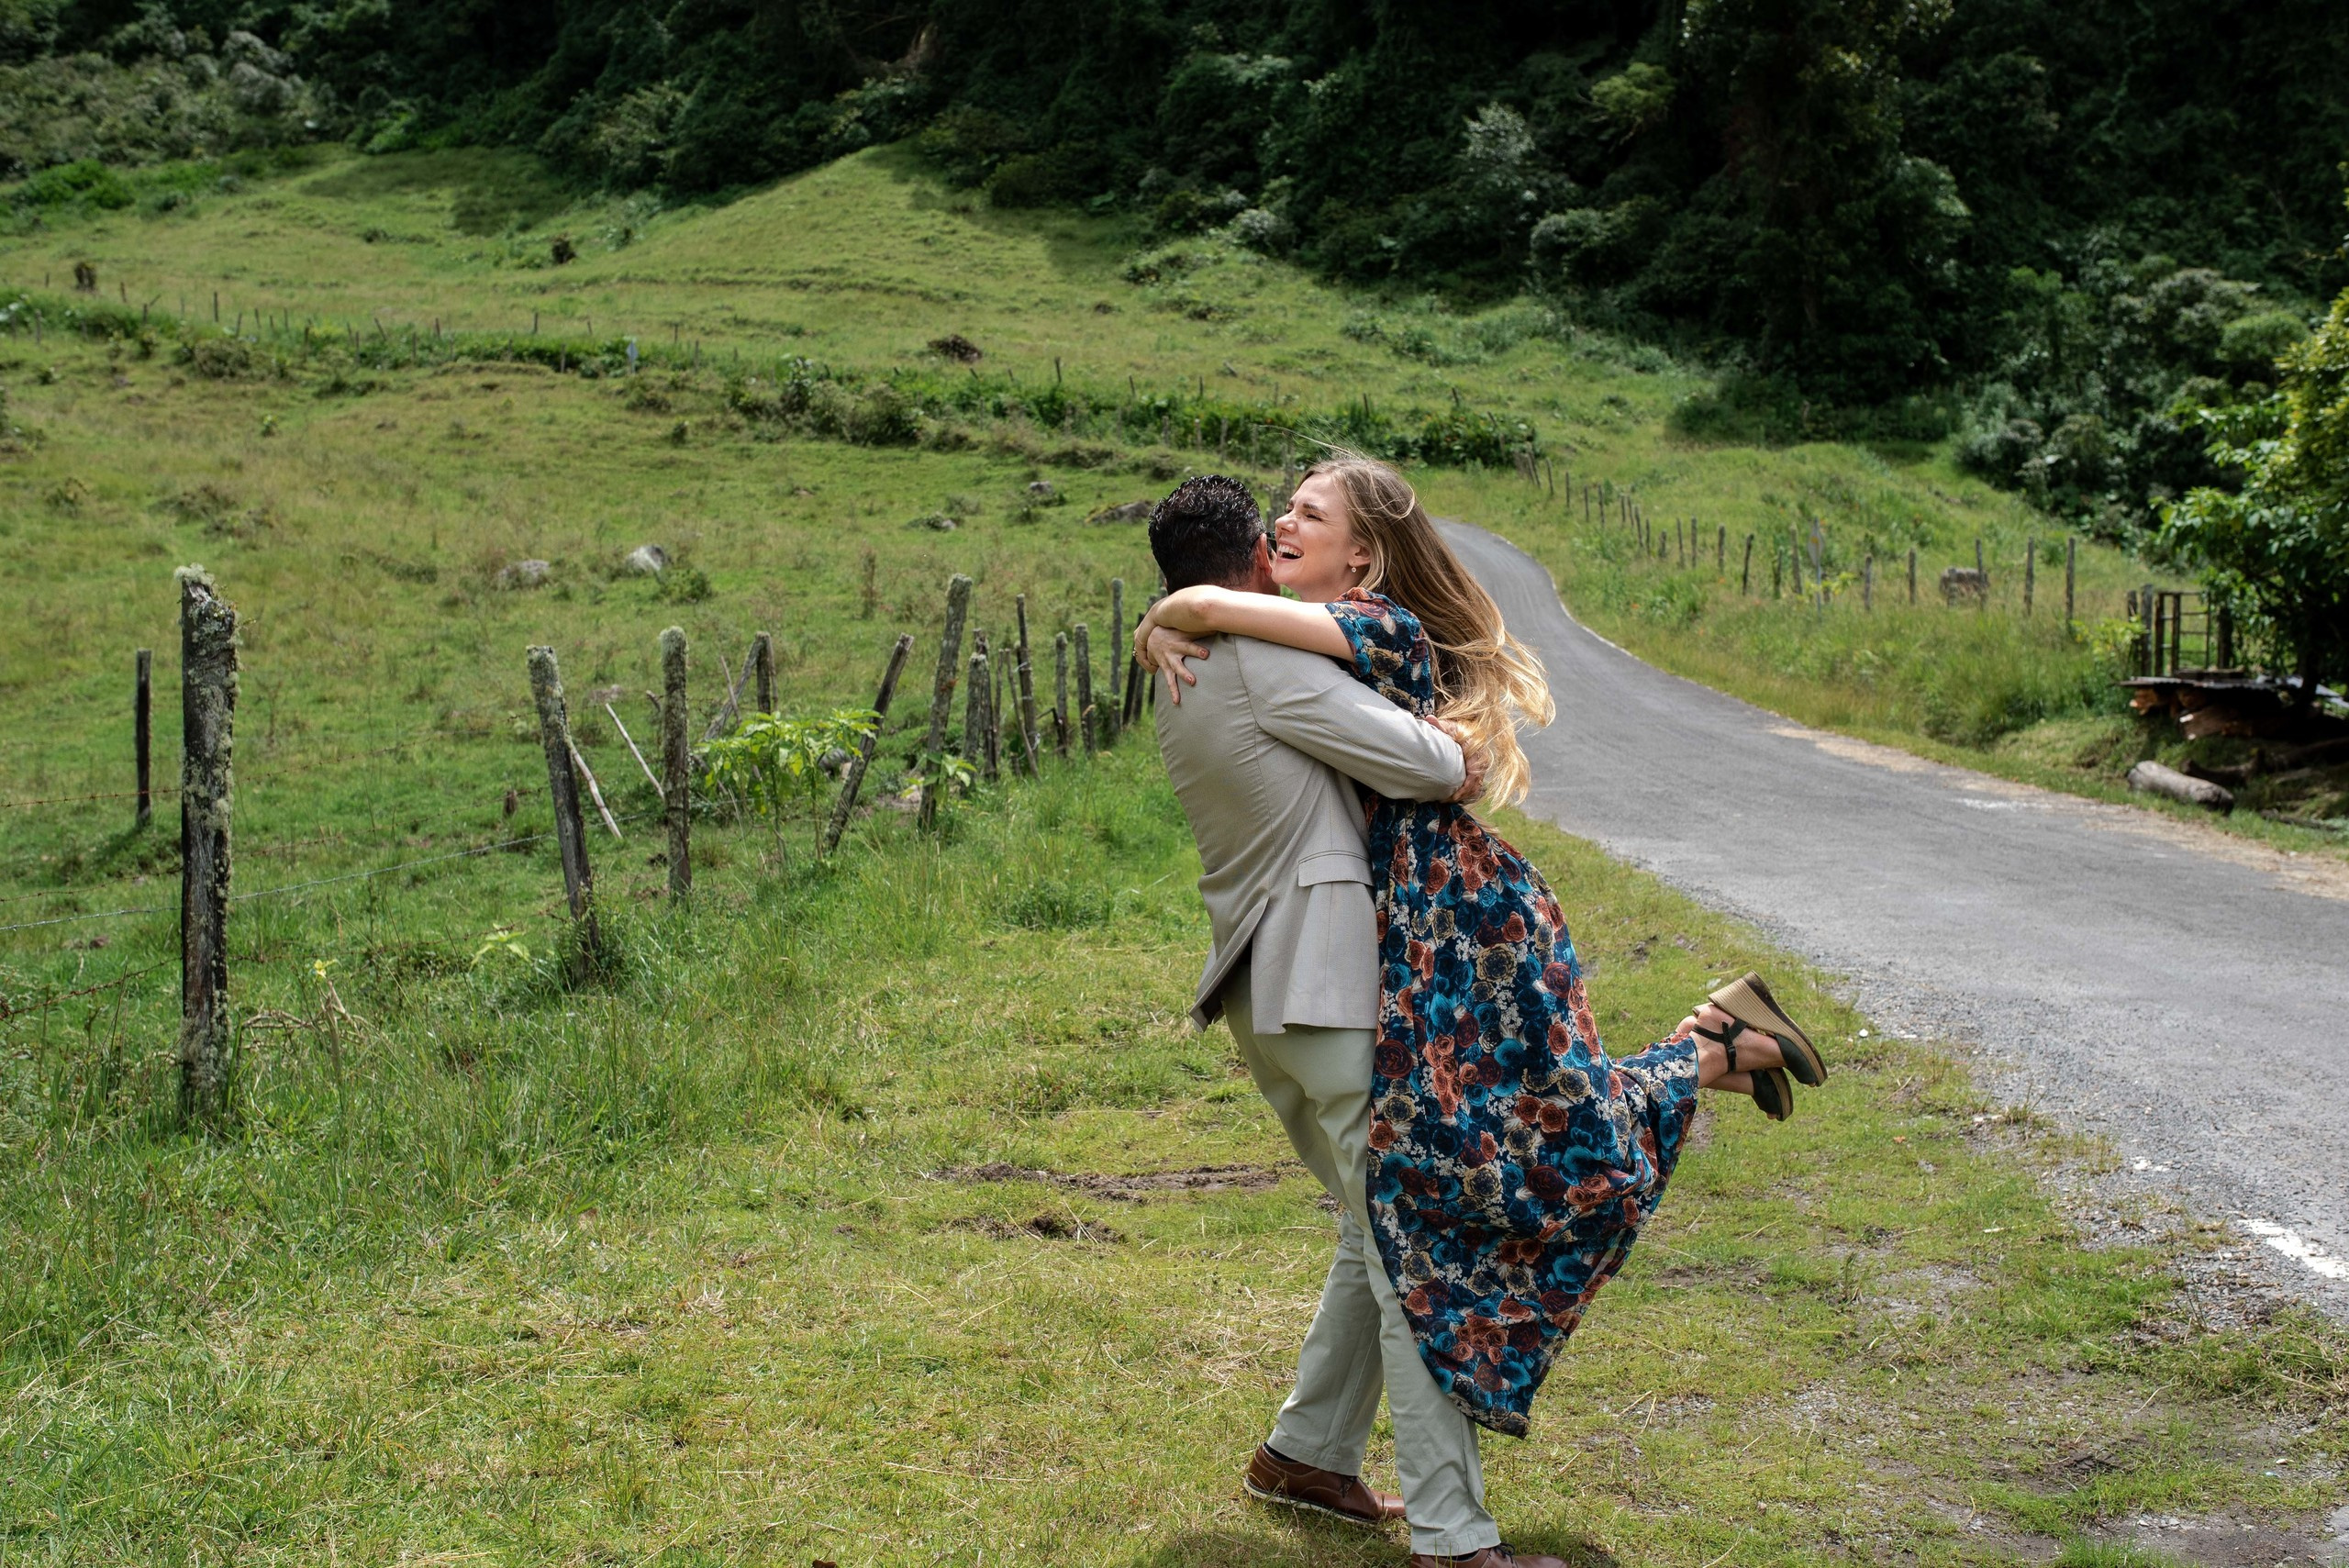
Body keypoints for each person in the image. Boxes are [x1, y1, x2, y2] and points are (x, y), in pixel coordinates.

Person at [1140, 457, 1826, 1567]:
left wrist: (1175, 608)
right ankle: (1456, 1541)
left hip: (1266, 989)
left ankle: (1306, 1452)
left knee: (1385, 1230)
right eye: (1282, 524)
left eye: (1308, 513)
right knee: (1420, 1246)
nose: (1289, 530)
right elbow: (1434, 762)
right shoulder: (1259, 651)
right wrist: (1209, 610)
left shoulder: (1191, 659)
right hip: (1324, 983)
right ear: (1254, 565)